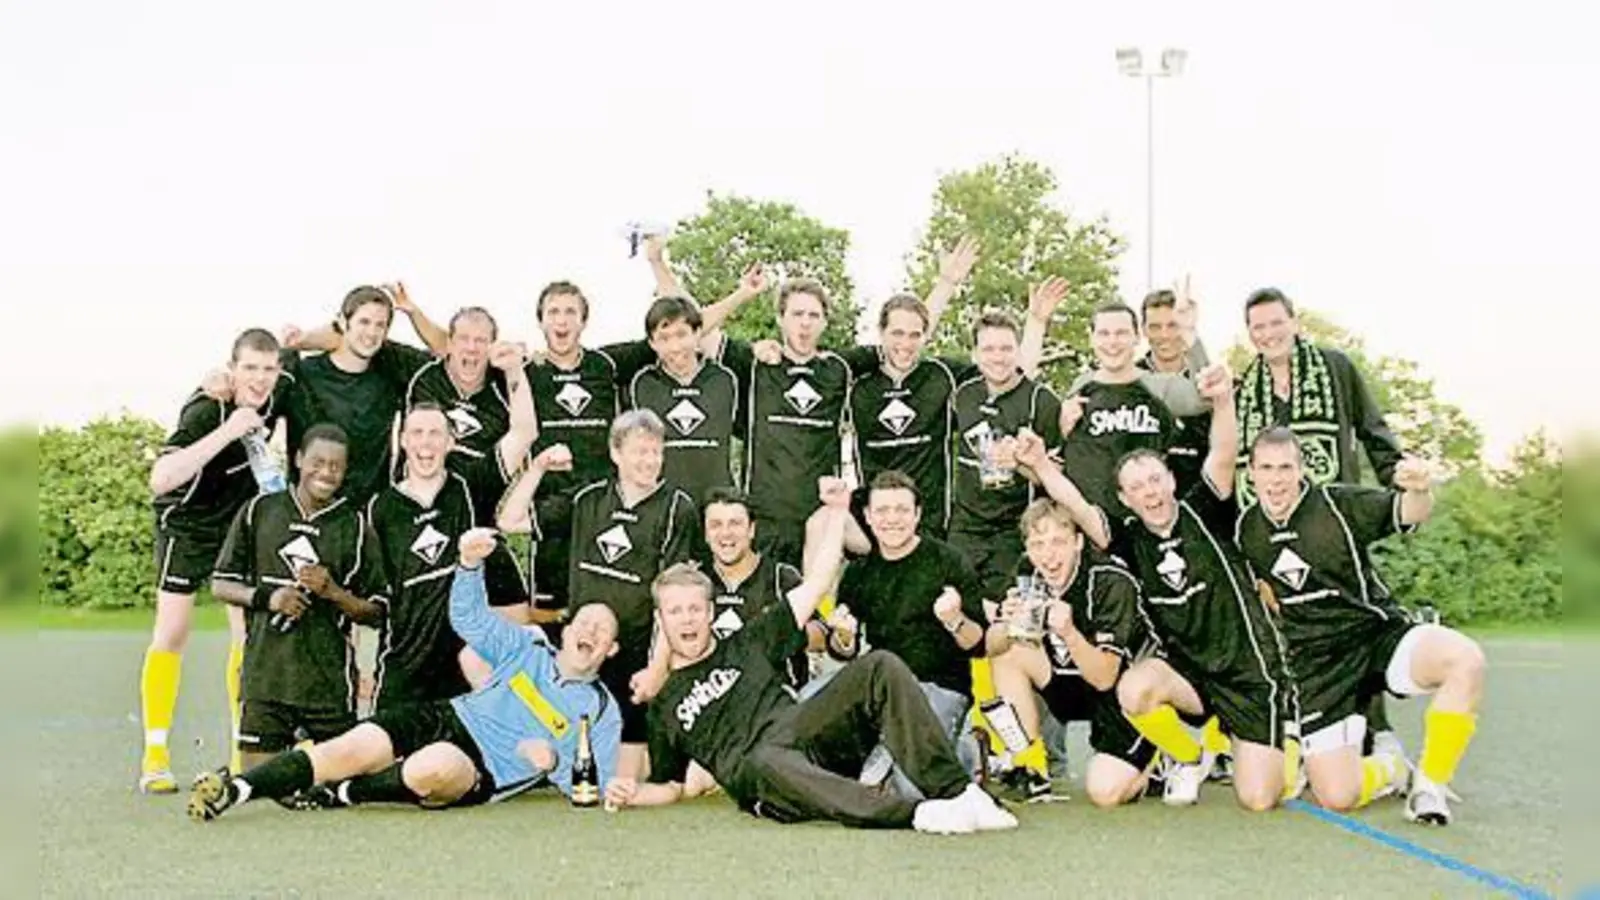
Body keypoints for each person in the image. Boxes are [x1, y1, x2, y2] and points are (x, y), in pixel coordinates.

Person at [605, 481, 1017, 833]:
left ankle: (959, 793)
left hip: (801, 732)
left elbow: (819, 582)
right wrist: (634, 792)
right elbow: (670, 785)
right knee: (763, 760)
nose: (687, 619)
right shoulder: (664, 706)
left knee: (880, 665)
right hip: (765, 776)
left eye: (695, 608)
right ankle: (917, 813)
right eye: (675, 611)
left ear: (711, 613)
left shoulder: (751, 639)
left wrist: (838, 511)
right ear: (662, 620)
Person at [188, 528, 623, 820]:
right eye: (585, 622)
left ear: (611, 648)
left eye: (602, 630)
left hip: (482, 767)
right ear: (565, 632)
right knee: (350, 747)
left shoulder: (601, 711)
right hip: (447, 716)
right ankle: (235, 790)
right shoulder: (528, 646)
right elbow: (468, 619)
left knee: (431, 768)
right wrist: (469, 565)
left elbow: (591, 785)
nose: (590, 631)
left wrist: (551, 759)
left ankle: (345, 793)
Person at [1034, 361, 1295, 811]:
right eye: (1136, 487)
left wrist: (1224, 401)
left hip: (1246, 671)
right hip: (1187, 675)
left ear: (1171, 480)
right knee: (1134, 689)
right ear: (1123, 498)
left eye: (1155, 479)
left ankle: (1292, 746)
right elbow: (1075, 503)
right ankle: (1187, 757)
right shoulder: (1128, 537)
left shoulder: (1206, 510)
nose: (1149, 492)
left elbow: (1223, 452)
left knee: (1260, 798)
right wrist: (1039, 464)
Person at [1238, 428, 1485, 824]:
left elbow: (1409, 512)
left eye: (1286, 467)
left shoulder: (1338, 504)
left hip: (1375, 637)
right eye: (1266, 468)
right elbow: (1263, 596)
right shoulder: (1246, 530)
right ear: (1250, 473)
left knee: (1465, 659)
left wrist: (1419, 489)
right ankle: (1394, 768)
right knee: (1337, 796)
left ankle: (1429, 786)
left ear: (1302, 469)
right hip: (1318, 666)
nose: (1276, 478)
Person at [504, 409, 698, 779]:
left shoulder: (678, 508)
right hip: (581, 654)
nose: (649, 460)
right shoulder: (588, 498)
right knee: (555, 748)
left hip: (635, 661)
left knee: (634, 773)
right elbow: (510, 520)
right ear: (615, 453)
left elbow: (671, 602)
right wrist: (539, 468)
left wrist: (656, 669)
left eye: (656, 452)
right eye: (639, 451)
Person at [140, 328, 289, 792]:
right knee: (172, 632)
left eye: (268, 369)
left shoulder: (280, 393)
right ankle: (155, 758)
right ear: (232, 367)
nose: (260, 379)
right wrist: (231, 428)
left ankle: (239, 756)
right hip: (188, 524)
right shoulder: (207, 406)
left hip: (237, 524)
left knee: (247, 636)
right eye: (250, 368)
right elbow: (161, 478)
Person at [366, 346, 537, 709]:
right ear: (403, 440)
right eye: (417, 433)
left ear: (451, 442)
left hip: (466, 667)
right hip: (405, 667)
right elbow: (371, 595)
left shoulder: (470, 485)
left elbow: (523, 432)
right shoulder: (380, 510)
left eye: (435, 434)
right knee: (389, 763)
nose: (425, 443)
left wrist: (513, 372)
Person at [209, 425, 388, 769]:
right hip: (266, 679)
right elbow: (220, 584)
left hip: (328, 685)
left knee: (336, 784)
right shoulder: (259, 511)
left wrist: (333, 592)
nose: (326, 472)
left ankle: (308, 755)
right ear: (298, 460)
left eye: (336, 466)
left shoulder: (354, 526)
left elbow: (377, 613)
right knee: (258, 781)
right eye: (317, 462)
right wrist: (269, 598)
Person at [981, 492, 1155, 807]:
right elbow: (991, 648)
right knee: (1009, 652)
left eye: (1058, 542)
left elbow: (1104, 677)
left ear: (1078, 542)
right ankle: (1029, 766)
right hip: (1066, 680)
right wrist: (1006, 624)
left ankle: (1155, 761)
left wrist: (1070, 633)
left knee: (1105, 793)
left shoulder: (1110, 581)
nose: (1048, 555)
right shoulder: (1028, 572)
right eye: (1037, 545)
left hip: (1118, 693)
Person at [828, 471, 994, 781]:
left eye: (902, 510)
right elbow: (841, 653)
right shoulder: (858, 572)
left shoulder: (948, 561)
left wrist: (954, 620)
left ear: (917, 514)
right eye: (882, 511)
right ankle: (885, 750)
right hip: (880, 691)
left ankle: (968, 752)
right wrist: (843, 636)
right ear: (867, 516)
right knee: (811, 705)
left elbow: (979, 644)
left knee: (912, 787)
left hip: (940, 689)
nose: (892, 519)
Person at [274, 284, 446, 507]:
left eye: (380, 325)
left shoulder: (392, 370)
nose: (372, 332)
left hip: (368, 518)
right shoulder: (303, 373)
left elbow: (447, 352)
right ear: (343, 323)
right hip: (308, 514)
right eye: (364, 322)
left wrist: (413, 312)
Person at [1037, 299, 1209, 513]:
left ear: (1137, 337)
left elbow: (1207, 396)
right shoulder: (1081, 387)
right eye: (1104, 333)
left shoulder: (1158, 385)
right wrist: (1059, 430)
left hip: (1145, 523)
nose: (1112, 342)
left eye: (1121, 333)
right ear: (1092, 338)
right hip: (1092, 525)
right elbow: (1055, 452)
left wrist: (1189, 333)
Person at [1235, 287, 1403, 504]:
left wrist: (1398, 479)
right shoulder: (1243, 394)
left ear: (1294, 324)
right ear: (1250, 333)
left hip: (1334, 512)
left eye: (1276, 323)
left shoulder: (1335, 368)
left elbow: (1373, 429)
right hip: (1270, 522)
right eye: (1259, 327)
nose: (1268, 334)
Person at [521, 281, 626, 623]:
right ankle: (531, 681)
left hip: (604, 516)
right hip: (551, 520)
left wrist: (744, 293)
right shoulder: (525, 372)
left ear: (583, 321)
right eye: (553, 312)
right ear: (541, 321)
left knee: (605, 618)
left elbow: (680, 329)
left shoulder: (606, 366)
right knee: (549, 622)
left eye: (570, 312)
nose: (562, 320)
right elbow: (459, 349)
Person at [947, 305, 1065, 600]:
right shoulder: (963, 393)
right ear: (975, 353)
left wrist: (1021, 463)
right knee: (960, 607)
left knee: (1009, 614)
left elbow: (1058, 478)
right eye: (988, 349)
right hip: (965, 527)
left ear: (1018, 351)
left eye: (1005, 348)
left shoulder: (1042, 400)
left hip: (1014, 530)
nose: (997, 357)